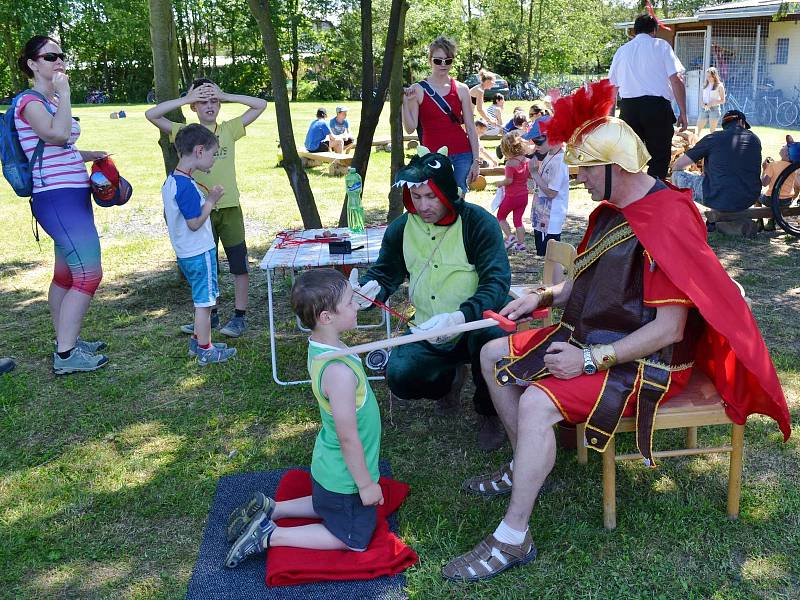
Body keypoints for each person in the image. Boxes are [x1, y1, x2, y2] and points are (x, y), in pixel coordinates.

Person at [442, 79, 790, 583]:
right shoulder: (611, 212)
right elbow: (581, 283)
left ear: (611, 167)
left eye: (585, 167)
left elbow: (671, 329)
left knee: (538, 400)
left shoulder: (668, 218)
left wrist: (587, 362)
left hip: (646, 361)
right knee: (493, 354)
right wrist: (539, 297)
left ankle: (514, 536)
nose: (578, 177)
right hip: (596, 336)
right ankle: (528, 468)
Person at [224, 269, 383, 567]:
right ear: (326, 317)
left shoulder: (322, 346)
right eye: (351, 302)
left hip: (330, 468)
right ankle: (270, 535)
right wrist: (365, 485)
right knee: (355, 539)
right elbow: (348, 437)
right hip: (345, 477)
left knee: (328, 504)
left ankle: (275, 508)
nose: (357, 305)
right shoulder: (338, 372)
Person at [355, 147, 511, 450]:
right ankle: (448, 382)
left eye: (432, 196)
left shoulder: (478, 222)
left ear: (447, 191)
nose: (424, 205)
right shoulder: (401, 228)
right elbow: (386, 272)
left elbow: (497, 282)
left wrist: (462, 316)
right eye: (417, 197)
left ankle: (489, 412)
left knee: (492, 341)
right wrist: (369, 287)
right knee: (400, 376)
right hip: (428, 325)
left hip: (476, 322)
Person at [14, 36, 109, 375]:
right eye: (50, 56)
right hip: (55, 197)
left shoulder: (49, 100)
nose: (59, 62)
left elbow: (61, 147)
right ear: (32, 64)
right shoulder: (30, 101)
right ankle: (67, 357)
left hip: (72, 195)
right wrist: (64, 95)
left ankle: (65, 340)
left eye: (62, 55)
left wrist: (89, 155)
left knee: (66, 275)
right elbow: (55, 135)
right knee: (89, 273)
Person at [146, 78, 267, 338]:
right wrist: (188, 98)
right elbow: (151, 114)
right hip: (201, 211)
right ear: (193, 107)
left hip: (229, 206)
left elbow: (260, 105)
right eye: (202, 101)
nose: (209, 105)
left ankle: (239, 317)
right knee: (206, 265)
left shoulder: (229, 129)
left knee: (239, 263)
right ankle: (208, 316)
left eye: (213, 100)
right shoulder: (184, 133)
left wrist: (226, 94)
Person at [162, 124, 237, 366]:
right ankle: (206, 349)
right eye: (213, 154)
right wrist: (211, 201)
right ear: (199, 151)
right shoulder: (185, 187)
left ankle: (198, 340)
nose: (214, 160)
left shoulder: (172, 181)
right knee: (205, 302)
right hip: (198, 252)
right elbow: (194, 222)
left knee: (201, 300)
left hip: (186, 252)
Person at [609, 13, 688, 179]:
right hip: (657, 108)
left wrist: (610, 118)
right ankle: (653, 197)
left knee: (629, 159)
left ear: (635, 31)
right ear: (654, 30)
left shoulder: (622, 51)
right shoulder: (661, 46)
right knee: (659, 158)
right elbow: (676, 80)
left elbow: (612, 87)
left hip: (629, 109)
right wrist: (683, 112)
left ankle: (630, 198)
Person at [401, 36, 481, 193]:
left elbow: (471, 128)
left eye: (448, 60)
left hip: (462, 154)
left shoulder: (462, 89)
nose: (443, 64)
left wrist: (476, 161)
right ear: (430, 60)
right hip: (432, 157)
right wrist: (405, 102)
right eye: (438, 60)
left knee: (457, 201)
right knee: (435, 201)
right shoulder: (418, 89)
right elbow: (410, 128)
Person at [671, 110, 762, 234]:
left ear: (724, 125)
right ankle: (726, 222)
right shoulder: (755, 139)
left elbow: (678, 165)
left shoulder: (712, 138)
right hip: (748, 198)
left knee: (676, 175)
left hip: (718, 197)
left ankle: (683, 219)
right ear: (741, 122)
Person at [528, 132, 569, 256]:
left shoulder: (559, 162)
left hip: (550, 219)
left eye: (539, 142)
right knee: (544, 254)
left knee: (549, 256)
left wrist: (534, 173)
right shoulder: (550, 155)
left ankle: (553, 276)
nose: (536, 146)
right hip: (543, 215)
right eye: (534, 142)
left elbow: (552, 193)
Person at [495, 131, 531, 252]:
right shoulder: (526, 160)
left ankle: (510, 237)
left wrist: (500, 183)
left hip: (512, 196)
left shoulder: (510, 163)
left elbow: (509, 180)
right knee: (518, 220)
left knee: (500, 216)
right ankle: (521, 244)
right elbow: (529, 175)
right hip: (524, 196)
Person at [758, 140, 800, 231]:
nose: (782, 146)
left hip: (771, 200)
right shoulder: (794, 166)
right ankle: (771, 222)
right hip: (787, 201)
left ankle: (759, 222)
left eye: (785, 146)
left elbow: (764, 183)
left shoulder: (773, 165)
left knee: (757, 196)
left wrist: (764, 169)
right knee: (776, 196)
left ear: (787, 154)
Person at [696, 67, 725, 137]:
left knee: (712, 131)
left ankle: (712, 145)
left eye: (710, 76)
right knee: (698, 128)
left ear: (714, 76)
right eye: (707, 76)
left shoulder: (720, 86)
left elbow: (723, 100)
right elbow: (701, 97)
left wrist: (713, 103)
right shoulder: (705, 85)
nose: (708, 78)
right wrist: (702, 104)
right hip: (704, 108)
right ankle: (695, 143)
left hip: (714, 109)